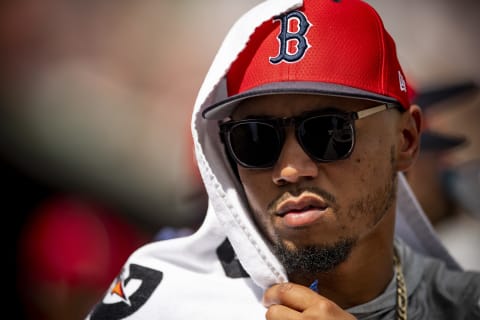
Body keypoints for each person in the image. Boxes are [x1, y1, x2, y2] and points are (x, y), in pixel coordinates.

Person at [86, 0, 480, 319]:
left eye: (327, 131)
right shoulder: (168, 301)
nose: (290, 169)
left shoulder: (464, 303)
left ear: (407, 140)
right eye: (256, 139)